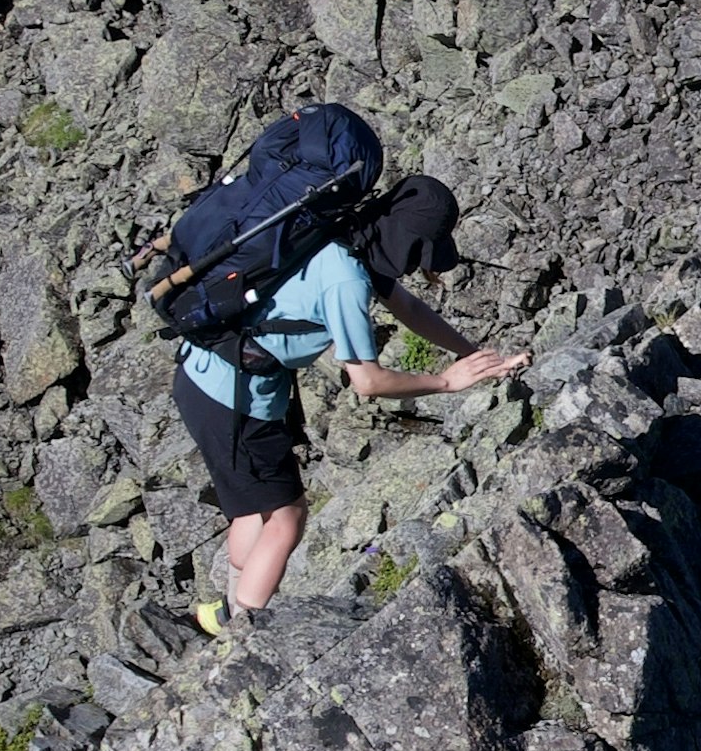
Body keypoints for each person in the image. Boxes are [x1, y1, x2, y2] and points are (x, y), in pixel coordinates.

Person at [176, 170, 526, 621]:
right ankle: (241, 637)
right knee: (286, 519)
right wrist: (447, 381)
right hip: (230, 397)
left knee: (256, 510)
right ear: (406, 239)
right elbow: (369, 382)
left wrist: (477, 356)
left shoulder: (349, 240)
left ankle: (223, 612)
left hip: (214, 381)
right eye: (419, 253)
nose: (418, 264)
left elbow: (411, 309)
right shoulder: (347, 279)